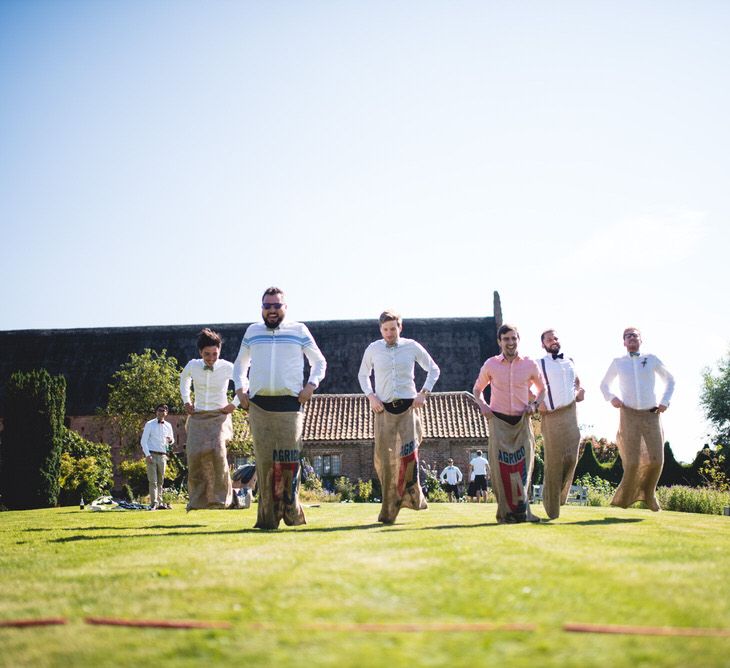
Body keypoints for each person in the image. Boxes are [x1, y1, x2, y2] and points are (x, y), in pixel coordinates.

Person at [233, 287, 326, 529]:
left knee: (288, 462)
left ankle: (293, 515)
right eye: (267, 306)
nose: (272, 310)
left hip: (289, 404)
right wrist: (240, 389)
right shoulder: (252, 332)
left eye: (277, 306)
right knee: (264, 464)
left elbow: (319, 361)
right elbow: (240, 364)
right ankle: (267, 519)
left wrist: (311, 386)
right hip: (259, 405)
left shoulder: (299, 330)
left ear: (285, 307)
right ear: (262, 308)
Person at [358, 310, 440, 523]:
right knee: (384, 460)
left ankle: (413, 498)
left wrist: (424, 393)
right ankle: (388, 508)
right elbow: (363, 375)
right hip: (383, 410)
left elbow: (433, 369)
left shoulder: (411, 347)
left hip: (408, 409)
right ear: (380, 330)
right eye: (385, 329)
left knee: (408, 456)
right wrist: (371, 397)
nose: (389, 333)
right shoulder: (373, 349)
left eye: (393, 329)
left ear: (400, 327)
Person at [473, 324, 545, 523]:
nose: (510, 343)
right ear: (499, 342)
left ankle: (523, 510)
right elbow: (477, 389)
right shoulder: (491, 364)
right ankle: (505, 512)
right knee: (502, 468)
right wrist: (483, 405)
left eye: (513, 338)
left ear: (518, 340)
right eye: (506, 339)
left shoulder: (529, 364)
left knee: (524, 465)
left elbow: (542, 390)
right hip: (499, 421)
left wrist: (535, 404)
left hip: (522, 421)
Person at [600, 327, 675, 511]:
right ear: (623, 342)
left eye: (635, 335)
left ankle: (649, 495)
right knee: (632, 462)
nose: (631, 338)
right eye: (628, 336)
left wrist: (665, 401)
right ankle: (624, 499)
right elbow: (604, 385)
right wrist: (612, 397)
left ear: (641, 340)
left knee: (656, 460)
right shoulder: (618, 362)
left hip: (651, 413)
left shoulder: (651, 359)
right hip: (629, 414)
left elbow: (670, 380)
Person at [180, 328, 238, 510]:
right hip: (198, 415)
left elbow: (244, 382)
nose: (211, 358)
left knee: (218, 452)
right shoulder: (193, 365)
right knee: (194, 454)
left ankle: (222, 500)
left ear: (219, 351)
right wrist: (186, 401)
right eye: (207, 354)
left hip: (219, 415)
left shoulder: (228, 367)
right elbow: (184, 380)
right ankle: (198, 500)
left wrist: (234, 403)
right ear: (200, 353)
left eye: (215, 354)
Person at [537, 329, 585, 519]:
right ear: (543, 344)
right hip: (551, 415)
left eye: (555, 338)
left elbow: (578, 383)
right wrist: (536, 401)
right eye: (549, 339)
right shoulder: (539, 363)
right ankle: (552, 508)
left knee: (572, 458)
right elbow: (526, 385)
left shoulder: (569, 361)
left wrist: (581, 391)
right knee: (554, 461)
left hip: (570, 412)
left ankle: (559, 496)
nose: (553, 341)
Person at [140, 404, 174, 510]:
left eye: (164, 411)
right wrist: (147, 455)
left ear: (166, 413)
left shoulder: (168, 425)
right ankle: (154, 502)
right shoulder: (149, 424)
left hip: (163, 455)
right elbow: (143, 441)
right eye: (159, 410)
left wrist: (171, 440)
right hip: (152, 454)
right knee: (153, 481)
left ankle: (160, 502)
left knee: (161, 481)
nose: (161, 412)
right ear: (156, 412)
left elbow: (172, 440)